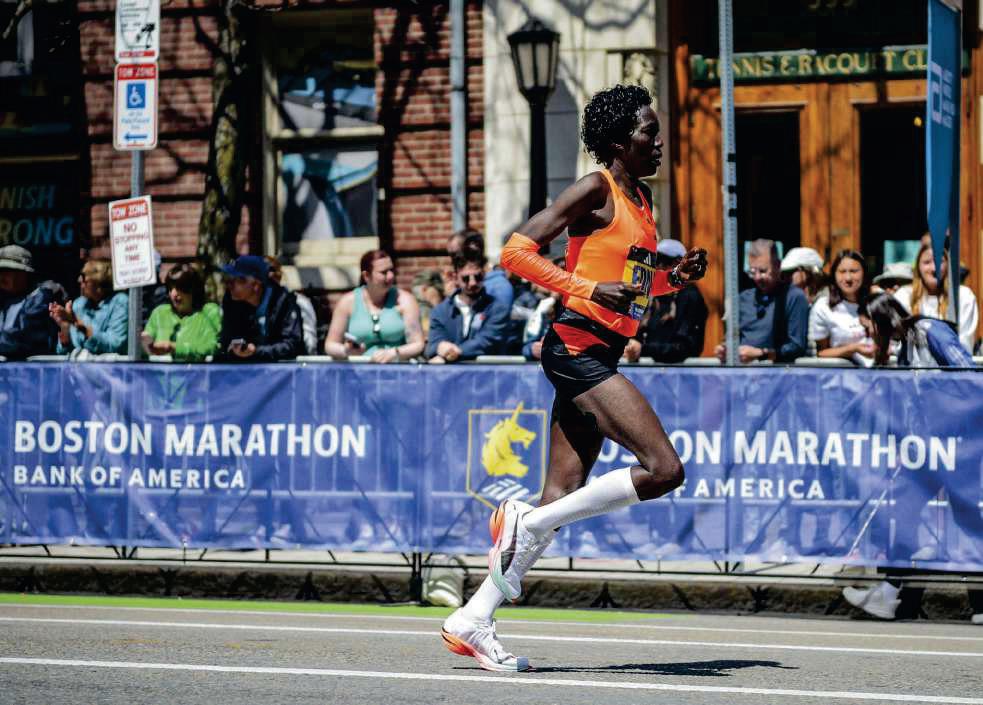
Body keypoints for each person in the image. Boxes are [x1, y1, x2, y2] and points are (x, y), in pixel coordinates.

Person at [439, 84, 707, 671]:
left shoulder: (639, 200)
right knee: (664, 470)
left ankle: (474, 617)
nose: (658, 142)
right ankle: (523, 521)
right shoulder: (596, 188)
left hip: (600, 350)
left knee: (558, 499)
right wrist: (583, 289)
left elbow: (631, 287)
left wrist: (674, 280)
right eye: (648, 133)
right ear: (618, 143)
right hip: (575, 347)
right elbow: (514, 252)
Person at [714, 239, 809, 364]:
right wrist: (725, 349)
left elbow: (797, 346)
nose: (757, 277)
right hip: (744, 375)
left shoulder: (793, 297)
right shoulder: (743, 298)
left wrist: (761, 354)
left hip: (779, 375)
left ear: (778, 266)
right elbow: (731, 338)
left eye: (763, 271)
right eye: (752, 271)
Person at [324, 249, 424, 363]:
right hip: (359, 374)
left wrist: (395, 353)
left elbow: (418, 344)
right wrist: (346, 351)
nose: (390, 276)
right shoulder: (347, 302)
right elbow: (330, 345)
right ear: (366, 276)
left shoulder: (405, 300)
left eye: (391, 270)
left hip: (397, 372)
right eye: (384, 272)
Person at [629, 238, 708, 363]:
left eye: (663, 260)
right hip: (645, 374)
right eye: (654, 261)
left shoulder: (689, 296)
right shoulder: (650, 292)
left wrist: (643, 349)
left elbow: (686, 347)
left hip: (677, 376)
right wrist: (632, 346)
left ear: (680, 264)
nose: (658, 267)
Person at [425, 248, 509, 363]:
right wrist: (439, 347)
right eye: (465, 278)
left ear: (484, 275)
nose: (472, 283)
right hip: (451, 376)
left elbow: (487, 340)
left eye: (478, 277)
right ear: (455, 277)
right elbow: (433, 343)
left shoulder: (497, 307)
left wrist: (454, 352)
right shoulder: (440, 311)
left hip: (487, 374)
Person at [894, 242, 978, 354]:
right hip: (912, 369)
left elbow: (964, 344)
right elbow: (896, 344)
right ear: (918, 267)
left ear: (948, 265)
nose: (934, 268)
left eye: (939, 261)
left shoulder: (963, 296)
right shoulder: (904, 295)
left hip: (951, 368)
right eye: (927, 262)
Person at [218, 255, 305, 362]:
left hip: (281, 372)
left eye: (237, 280)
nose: (230, 285)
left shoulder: (284, 302)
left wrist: (257, 351)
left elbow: (292, 345)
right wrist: (234, 349)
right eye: (228, 280)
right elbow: (226, 341)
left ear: (256, 285)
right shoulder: (231, 302)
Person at [141, 263, 222, 362]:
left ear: (194, 289)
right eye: (170, 288)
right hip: (160, 376)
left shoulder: (209, 312)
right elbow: (145, 347)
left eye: (180, 287)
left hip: (196, 376)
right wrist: (143, 343)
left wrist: (175, 348)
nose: (174, 294)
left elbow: (213, 347)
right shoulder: (159, 313)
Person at [808, 249, 875, 366]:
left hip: (877, 375)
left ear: (864, 272)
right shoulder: (824, 307)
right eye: (842, 272)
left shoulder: (876, 302)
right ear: (834, 274)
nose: (848, 278)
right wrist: (853, 349)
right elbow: (822, 353)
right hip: (840, 377)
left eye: (854, 271)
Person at [49, 259, 128, 356]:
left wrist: (76, 323)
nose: (79, 280)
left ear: (99, 280)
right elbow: (63, 352)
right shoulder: (79, 304)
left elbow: (115, 344)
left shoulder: (120, 302)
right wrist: (65, 327)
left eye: (83, 277)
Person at [0, 245, 62, 359]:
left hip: (35, 370)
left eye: (6, 271)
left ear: (23, 274)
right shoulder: (5, 297)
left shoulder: (41, 296)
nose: (1, 277)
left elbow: (20, 339)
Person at [265, 256, 318, 355]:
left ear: (279, 275)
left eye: (271, 270)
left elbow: (310, 343)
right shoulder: (247, 303)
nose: (268, 275)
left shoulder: (298, 301)